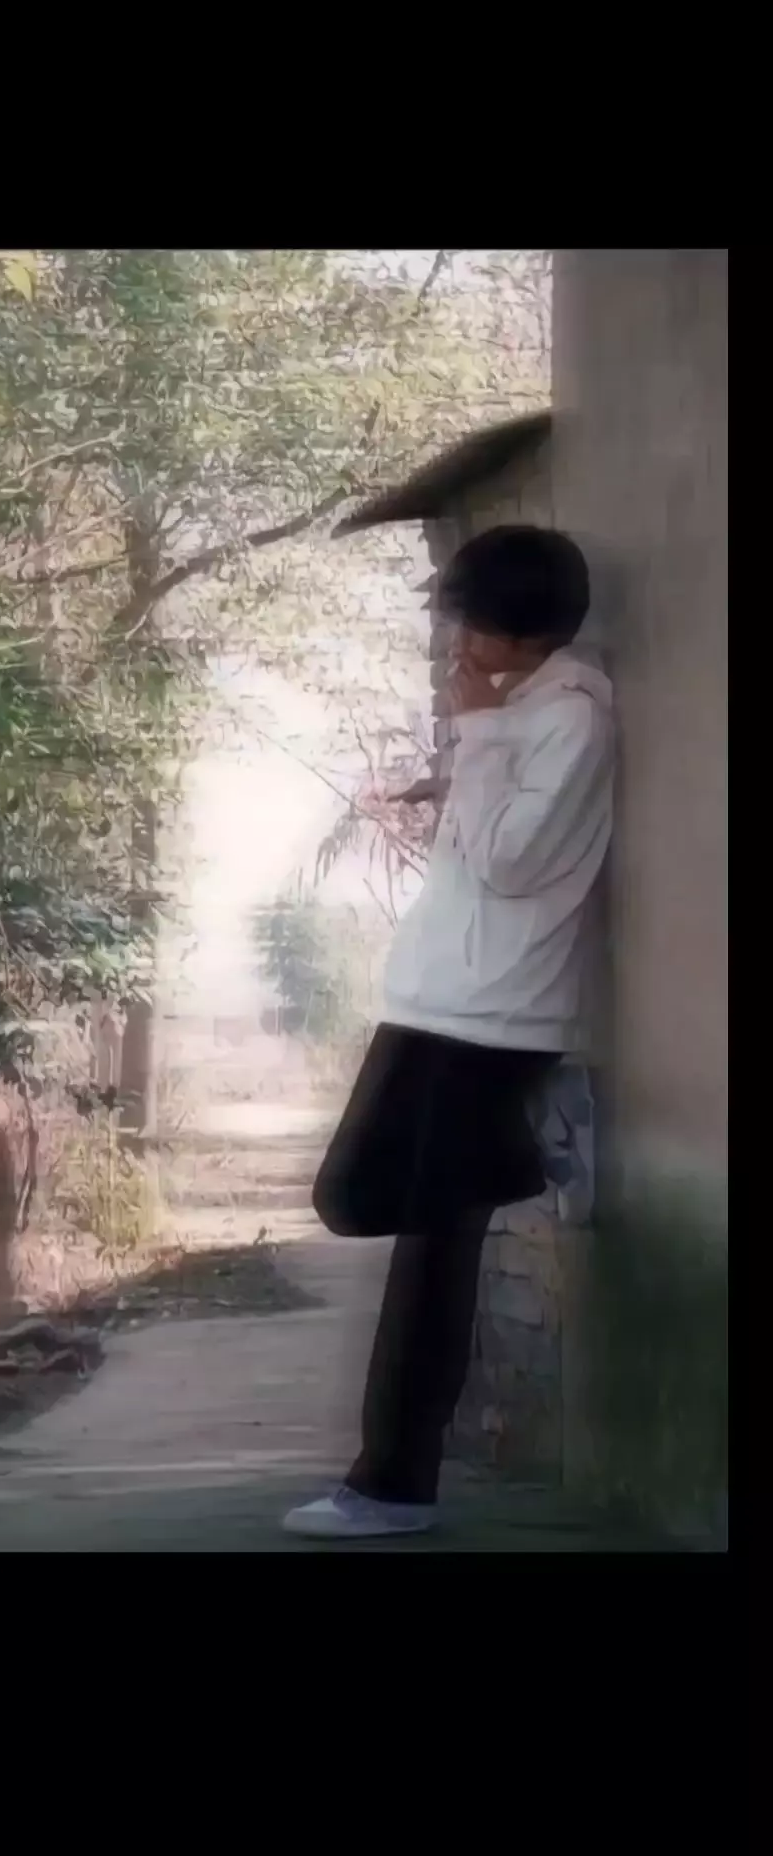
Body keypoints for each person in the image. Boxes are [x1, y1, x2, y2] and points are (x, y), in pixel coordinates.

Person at [283, 524, 613, 1540]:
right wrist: (463, 769)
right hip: (437, 995)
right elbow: (499, 836)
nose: (459, 643)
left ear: (532, 631)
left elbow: (515, 863)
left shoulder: (572, 717)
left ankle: (392, 1489)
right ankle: (527, 1145)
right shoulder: (520, 710)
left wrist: (480, 740)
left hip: (499, 1009)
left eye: (475, 626)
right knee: (352, 1193)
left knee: (435, 1241)